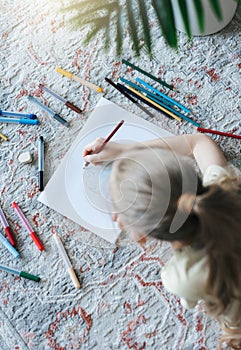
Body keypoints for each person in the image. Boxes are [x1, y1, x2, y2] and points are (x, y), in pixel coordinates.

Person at [83, 133, 241, 350]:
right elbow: (197, 142)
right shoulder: (226, 187)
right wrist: (127, 152)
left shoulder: (182, 276)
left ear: (141, 233)